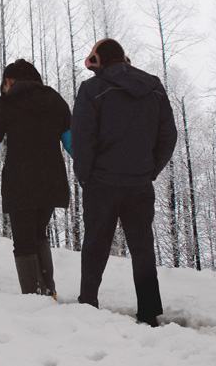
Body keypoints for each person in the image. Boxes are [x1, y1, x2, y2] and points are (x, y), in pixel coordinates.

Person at [71, 39, 177, 327]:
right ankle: (148, 312)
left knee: (95, 245)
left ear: (100, 61)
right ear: (124, 59)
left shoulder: (92, 90)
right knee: (142, 247)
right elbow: (168, 135)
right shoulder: (154, 86)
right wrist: (150, 170)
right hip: (140, 182)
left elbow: (82, 140)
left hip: (102, 182)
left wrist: (86, 177)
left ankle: (88, 302)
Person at [0, 59, 72, 297]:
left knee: (24, 240)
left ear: (8, 81)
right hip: (51, 181)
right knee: (39, 233)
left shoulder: (7, 102)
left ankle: (34, 296)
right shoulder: (56, 101)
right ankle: (48, 291)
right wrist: (93, 168)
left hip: (20, 182)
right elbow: (72, 142)